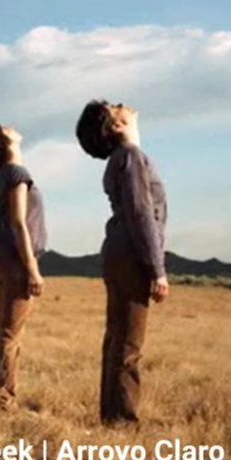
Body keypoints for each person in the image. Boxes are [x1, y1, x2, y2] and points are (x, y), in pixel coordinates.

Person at [75, 100, 169, 424]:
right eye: (114, 106)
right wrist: (157, 269)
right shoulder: (130, 157)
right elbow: (142, 214)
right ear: (116, 125)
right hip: (131, 255)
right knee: (128, 344)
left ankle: (111, 417)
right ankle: (123, 425)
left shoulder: (121, 158)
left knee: (116, 339)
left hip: (118, 252)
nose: (123, 104)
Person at [0, 122, 47, 410]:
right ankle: (2, 401)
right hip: (17, 262)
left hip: (5, 260)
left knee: (3, 331)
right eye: (5, 128)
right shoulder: (16, 174)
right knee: (10, 334)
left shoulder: (3, 175)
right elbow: (18, 223)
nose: (13, 127)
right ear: (3, 141)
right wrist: (32, 268)